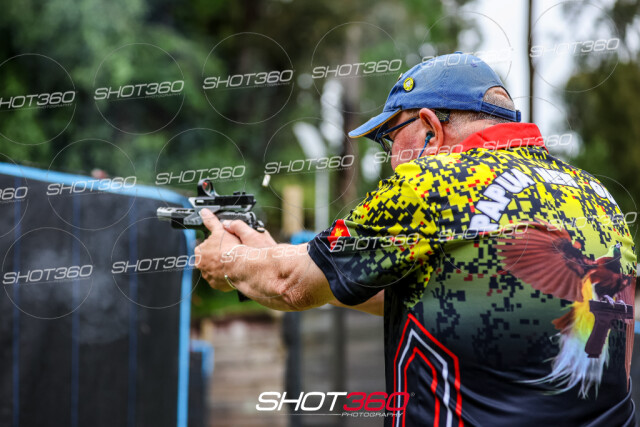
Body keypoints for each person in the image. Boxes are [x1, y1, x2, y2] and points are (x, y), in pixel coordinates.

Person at [194, 52, 637, 425]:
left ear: (430, 128)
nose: (391, 160)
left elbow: (288, 284)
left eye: (390, 138)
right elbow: (447, 297)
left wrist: (228, 258)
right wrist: (272, 254)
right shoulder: (595, 196)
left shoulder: (435, 182)